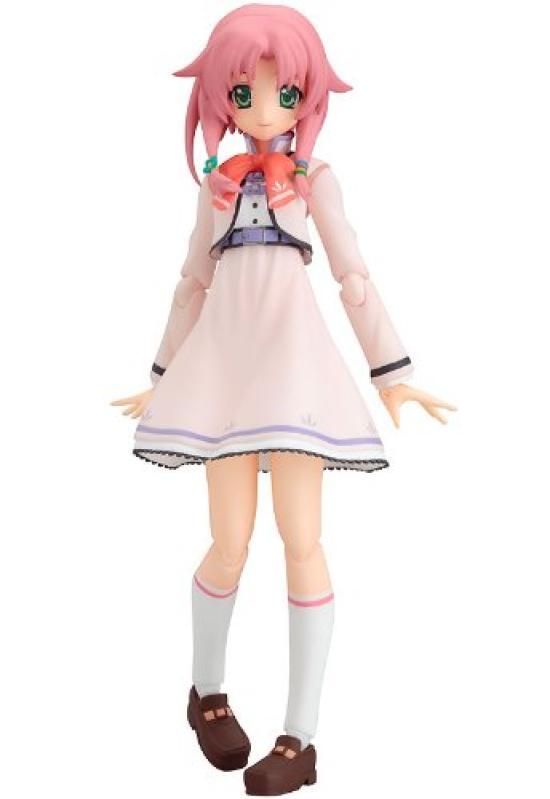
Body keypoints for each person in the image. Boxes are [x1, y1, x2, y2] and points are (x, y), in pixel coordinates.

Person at [111, 5, 456, 795]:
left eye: (285, 93)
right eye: (244, 93)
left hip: (295, 372)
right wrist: (162, 376)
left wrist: (391, 371)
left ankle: (301, 737)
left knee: (303, 541)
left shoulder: (314, 181)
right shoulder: (216, 188)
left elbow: (352, 273)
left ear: (307, 98)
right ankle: (206, 690)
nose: (265, 108)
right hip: (222, 374)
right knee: (229, 541)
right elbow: (192, 283)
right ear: (221, 99)